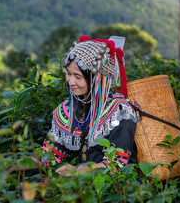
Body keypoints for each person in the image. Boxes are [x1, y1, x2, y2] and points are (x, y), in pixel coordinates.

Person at [40, 35, 139, 175]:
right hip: (81, 185)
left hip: (118, 189)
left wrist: (77, 171)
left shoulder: (120, 110)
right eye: (68, 74)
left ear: (97, 79)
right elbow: (51, 154)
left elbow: (117, 165)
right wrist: (16, 164)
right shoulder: (69, 109)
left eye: (78, 77)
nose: (70, 81)